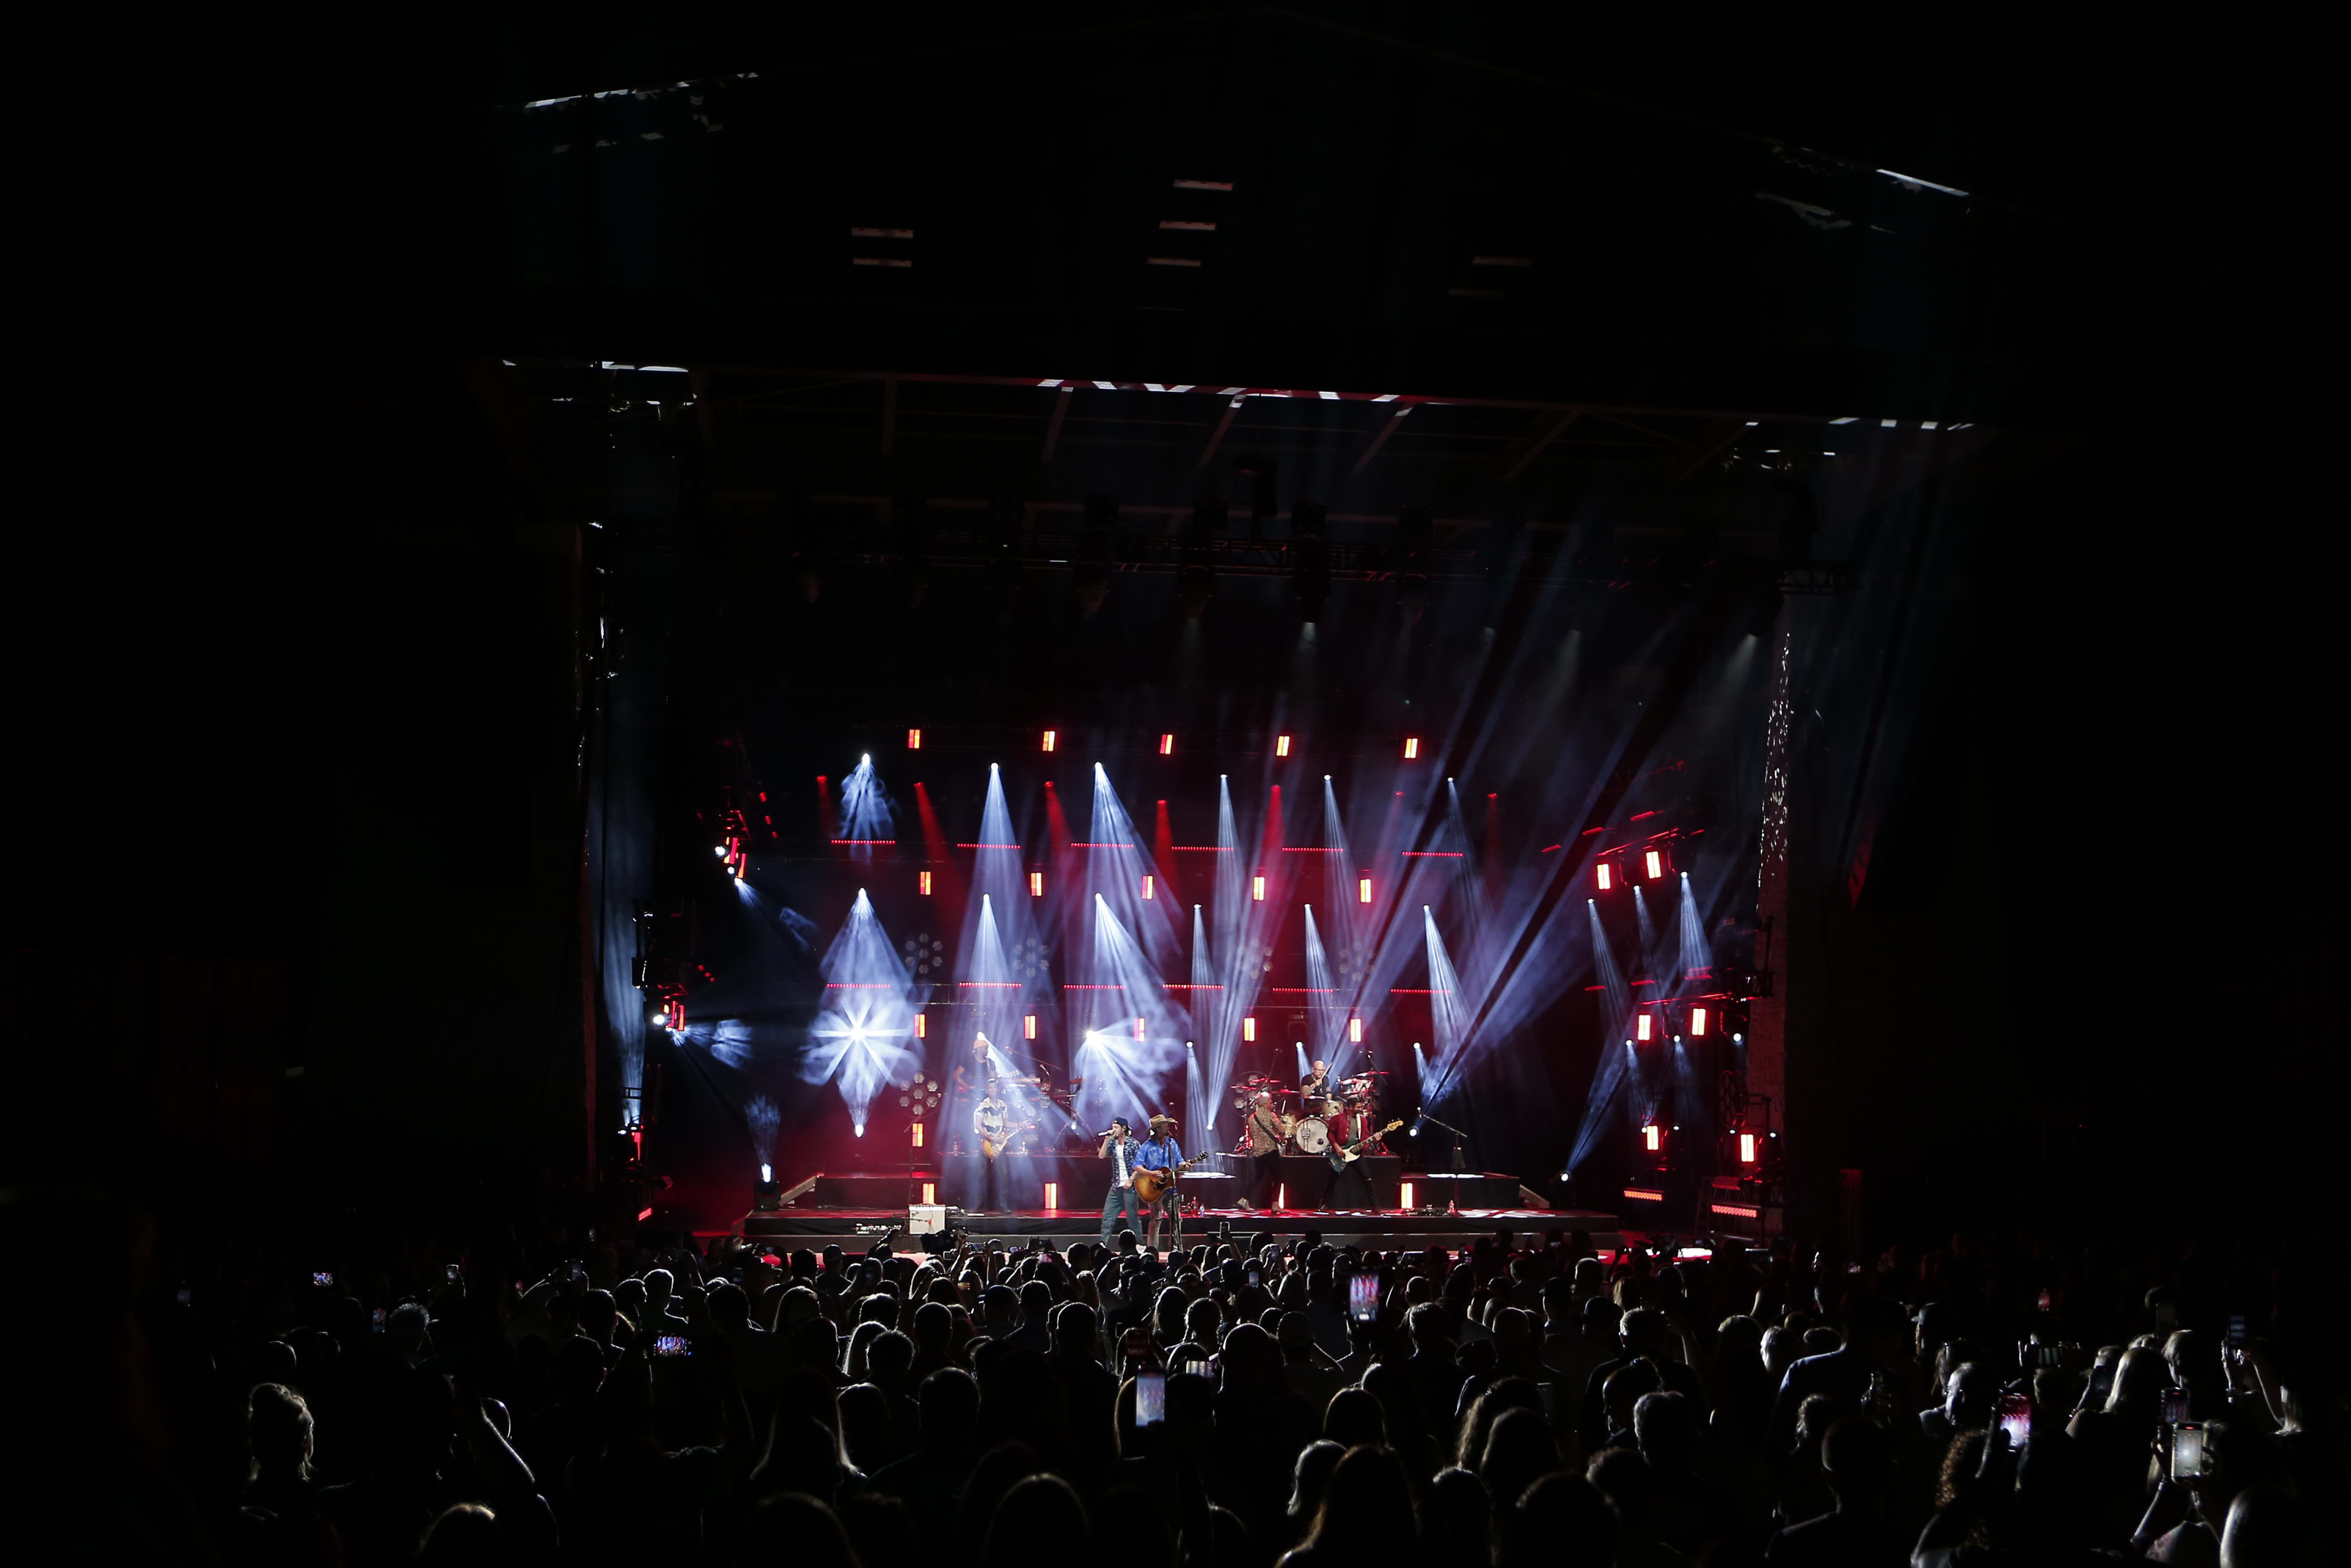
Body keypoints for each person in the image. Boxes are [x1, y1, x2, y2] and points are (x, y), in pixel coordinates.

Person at [1136, 1114, 1187, 1254]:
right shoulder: (1147, 1146)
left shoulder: (1172, 1143)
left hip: (1170, 1187)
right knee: (1156, 1219)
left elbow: (1179, 1160)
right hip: (1154, 1187)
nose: (1168, 1127)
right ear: (1158, 1129)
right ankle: (1152, 1251)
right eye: (1165, 1125)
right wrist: (1151, 1174)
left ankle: (1175, 1249)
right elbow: (1137, 1166)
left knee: (1177, 1219)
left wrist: (1184, 1164)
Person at [1098, 1117, 1143, 1245]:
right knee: (1107, 1216)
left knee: (1132, 1218)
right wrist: (1107, 1139)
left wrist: (1131, 1180)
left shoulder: (1133, 1144)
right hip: (1116, 1185)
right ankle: (1103, 1244)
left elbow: (1141, 1164)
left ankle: (1140, 1244)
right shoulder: (1113, 1143)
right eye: (1113, 1127)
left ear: (1124, 1128)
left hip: (1131, 1186)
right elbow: (1101, 1156)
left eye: (1116, 1128)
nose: (1113, 1130)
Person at [1241, 1092, 1288, 1212]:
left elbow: (1251, 1134)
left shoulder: (1252, 1118)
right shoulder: (1270, 1115)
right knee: (1278, 1177)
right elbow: (1282, 1130)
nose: (1272, 1105)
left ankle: (1244, 1199)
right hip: (1270, 1150)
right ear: (1265, 1104)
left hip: (1258, 1152)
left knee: (1258, 1177)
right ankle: (1275, 1204)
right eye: (1270, 1103)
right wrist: (1280, 1136)